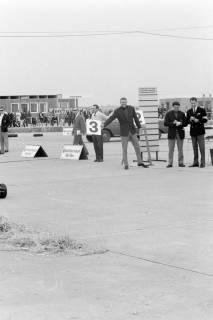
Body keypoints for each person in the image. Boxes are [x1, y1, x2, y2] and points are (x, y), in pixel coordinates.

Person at [104, 97, 149, 169]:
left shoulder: (131, 108)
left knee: (137, 147)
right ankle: (126, 164)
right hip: (124, 133)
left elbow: (136, 118)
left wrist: (139, 127)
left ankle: (140, 162)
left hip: (132, 131)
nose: (123, 103)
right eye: (122, 102)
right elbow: (111, 118)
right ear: (120, 103)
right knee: (124, 149)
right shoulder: (117, 111)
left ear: (126, 102)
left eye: (124, 102)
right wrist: (104, 125)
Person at [164, 101, 187, 168]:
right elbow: (165, 123)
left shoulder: (182, 113)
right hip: (172, 133)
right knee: (171, 149)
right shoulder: (168, 114)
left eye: (177, 107)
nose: (176, 108)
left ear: (179, 107)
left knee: (180, 149)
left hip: (180, 133)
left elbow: (186, 123)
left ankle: (181, 163)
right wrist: (173, 123)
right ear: (172, 107)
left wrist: (181, 123)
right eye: (175, 107)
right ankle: (170, 163)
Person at [186, 97, 208, 168]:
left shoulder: (201, 109)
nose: (193, 104)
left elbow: (205, 120)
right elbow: (187, 121)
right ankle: (195, 162)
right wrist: (190, 120)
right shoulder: (189, 111)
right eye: (191, 103)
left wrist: (198, 120)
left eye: (194, 103)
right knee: (194, 148)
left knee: (202, 148)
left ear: (196, 102)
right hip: (193, 132)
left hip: (200, 131)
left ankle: (203, 163)